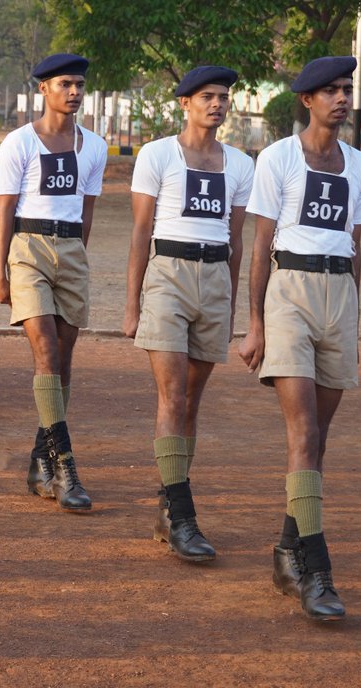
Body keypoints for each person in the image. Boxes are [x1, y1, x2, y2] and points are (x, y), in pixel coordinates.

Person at [237, 55, 361, 622]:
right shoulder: (277, 159)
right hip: (288, 292)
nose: (342, 98)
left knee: (318, 443)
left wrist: (355, 314)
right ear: (307, 101)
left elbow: (357, 245)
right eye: (330, 91)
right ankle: (317, 573)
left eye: (347, 89)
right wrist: (256, 322)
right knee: (304, 431)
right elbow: (260, 243)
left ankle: (286, 549)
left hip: (338, 296)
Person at [123, 65, 254, 561]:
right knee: (173, 396)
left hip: (215, 279)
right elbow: (140, 232)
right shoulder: (158, 154)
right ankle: (181, 513)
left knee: (192, 403)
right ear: (184, 102)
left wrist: (236, 305)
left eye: (223, 97)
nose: (217, 104)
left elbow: (237, 240)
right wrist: (132, 302)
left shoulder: (242, 164)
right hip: (168, 277)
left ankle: (167, 504)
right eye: (207, 96)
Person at [0, 53, 106, 512]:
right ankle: (65, 468)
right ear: (43, 89)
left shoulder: (94, 147)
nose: (74, 92)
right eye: (65, 84)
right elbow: (4, 209)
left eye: (79, 84)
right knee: (45, 350)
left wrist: (78, 255)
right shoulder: (19, 143)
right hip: (28, 249)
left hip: (72, 252)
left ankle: (40, 458)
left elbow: (88, 211)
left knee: (63, 358)